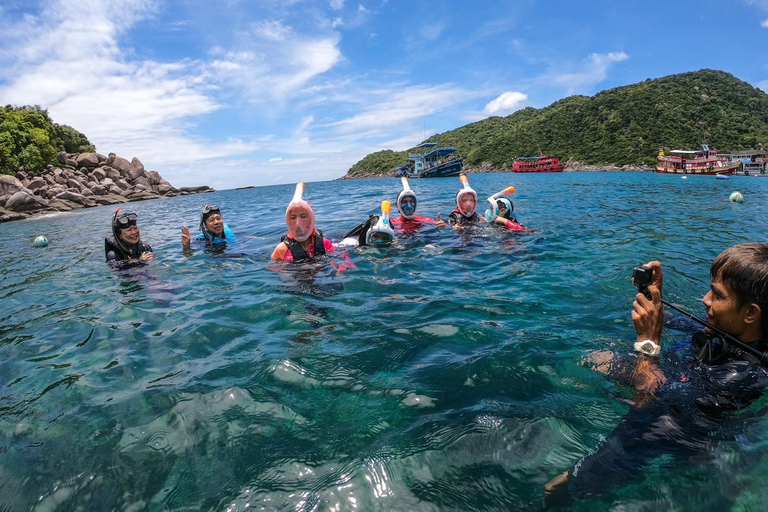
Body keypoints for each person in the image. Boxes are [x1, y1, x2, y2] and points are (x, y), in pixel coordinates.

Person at [544, 243, 768, 507]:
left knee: (557, 490)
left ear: (751, 313)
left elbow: (648, 398)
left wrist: (648, 343)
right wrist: (654, 297)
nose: (705, 300)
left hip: (672, 430)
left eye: (717, 295)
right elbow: (672, 320)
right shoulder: (728, 332)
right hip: (672, 393)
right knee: (596, 359)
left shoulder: (742, 376)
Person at [271, 182, 334, 262]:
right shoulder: (281, 250)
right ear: (288, 221)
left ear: (311, 219)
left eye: (303, 216)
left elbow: (340, 262)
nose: (298, 223)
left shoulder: (325, 243)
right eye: (293, 217)